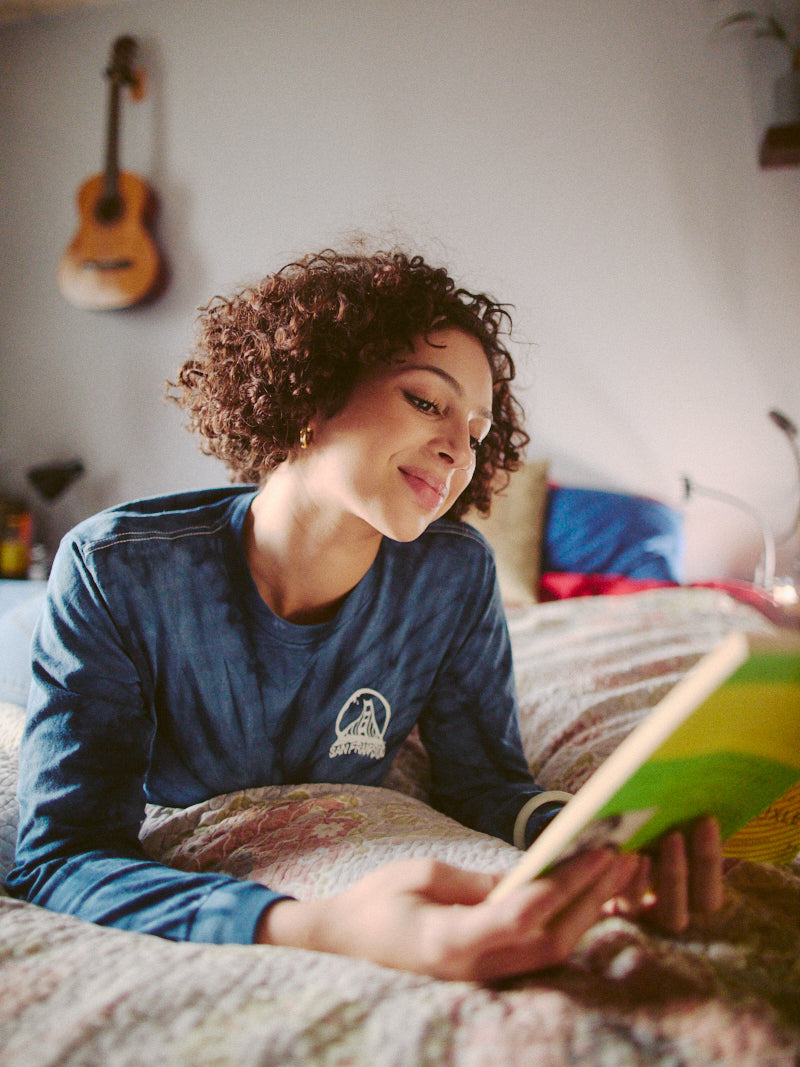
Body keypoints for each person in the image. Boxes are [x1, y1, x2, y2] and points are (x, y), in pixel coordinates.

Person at [6, 249, 724, 982]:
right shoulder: (115, 568)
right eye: (425, 400)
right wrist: (316, 926)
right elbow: (62, 854)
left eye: (476, 433)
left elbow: (485, 783)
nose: (456, 450)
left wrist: (592, 839)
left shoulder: (454, 573)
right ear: (315, 393)